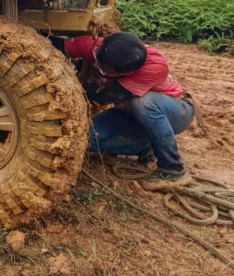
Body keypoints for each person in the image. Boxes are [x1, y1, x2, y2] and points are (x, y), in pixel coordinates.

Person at [59, 30, 197, 190]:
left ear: (126, 73)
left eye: (104, 69)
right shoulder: (100, 48)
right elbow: (53, 47)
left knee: (141, 103)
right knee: (85, 137)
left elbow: (106, 95)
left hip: (176, 111)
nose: (96, 65)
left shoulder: (154, 66)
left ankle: (172, 169)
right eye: (97, 58)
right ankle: (146, 146)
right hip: (131, 115)